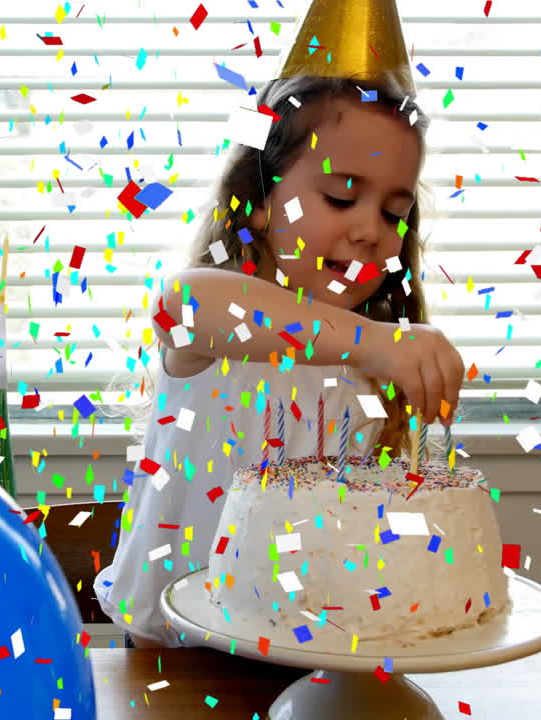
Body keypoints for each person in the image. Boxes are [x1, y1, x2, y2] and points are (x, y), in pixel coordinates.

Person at [93, 72, 466, 649]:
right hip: (177, 663)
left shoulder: (373, 366)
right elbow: (181, 304)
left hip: (318, 655)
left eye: (395, 213)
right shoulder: (221, 329)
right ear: (260, 199)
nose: (371, 230)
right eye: (342, 196)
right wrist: (376, 342)